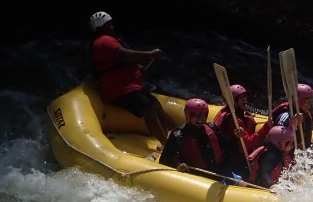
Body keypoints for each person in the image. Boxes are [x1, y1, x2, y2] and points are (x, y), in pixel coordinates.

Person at [88, 11, 176, 145]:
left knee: (156, 106)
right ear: (99, 27)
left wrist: (136, 68)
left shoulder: (103, 42)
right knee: (149, 109)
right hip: (120, 90)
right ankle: (167, 145)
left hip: (130, 87)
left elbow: (117, 62)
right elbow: (125, 55)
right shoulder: (104, 40)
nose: (112, 26)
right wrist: (150, 54)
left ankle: (181, 139)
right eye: (108, 24)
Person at [212, 83, 272, 179]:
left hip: (236, 156)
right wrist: (266, 128)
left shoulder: (233, 114)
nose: (244, 99)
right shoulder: (235, 121)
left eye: (245, 96)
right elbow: (248, 145)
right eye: (240, 97)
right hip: (235, 162)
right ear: (233, 101)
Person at [159, 98, 226, 176]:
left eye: (204, 115)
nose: (201, 118)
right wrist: (177, 165)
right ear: (188, 116)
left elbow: (228, 145)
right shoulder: (178, 135)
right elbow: (164, 160)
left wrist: (236, 136)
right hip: (196, 176)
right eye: (196, 115)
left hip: (219, 171)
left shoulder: (212, 128)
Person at [271, 83, 313, 149]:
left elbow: (308, 121)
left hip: (305, 148)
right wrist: (293, 126)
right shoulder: (285, 117)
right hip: (292, 151)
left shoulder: (301, 113)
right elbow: (280, 142)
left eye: (310, 100)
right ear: (297, 101)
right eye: (306, 101)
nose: (309, 104)